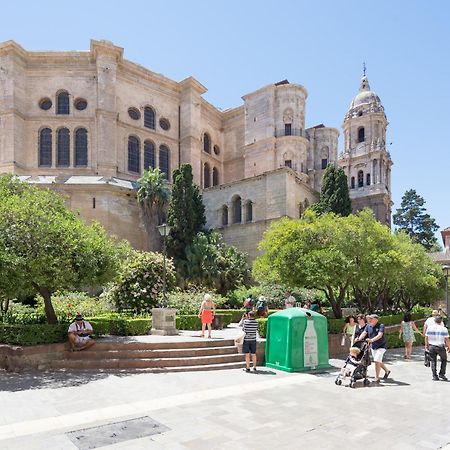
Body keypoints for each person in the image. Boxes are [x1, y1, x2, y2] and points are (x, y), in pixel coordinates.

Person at [359, 314, 390, 383]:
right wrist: (358, 339)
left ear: (376, 319)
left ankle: (377, 377)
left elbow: (380, 335)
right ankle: (387, 371)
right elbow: (364, 333)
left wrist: (372, 340)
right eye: (369, 318)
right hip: (373, 346)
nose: (369, 320)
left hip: (381, 346)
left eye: (371, 318)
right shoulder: (368, 326)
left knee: (376, 361)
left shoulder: (381, 325)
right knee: (378, 361)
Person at [425, 315, 450, 381]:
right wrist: (449, 347)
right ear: (441, 321)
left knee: (433, 361)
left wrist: (426, 345)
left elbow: (426, 337)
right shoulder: (444, 329)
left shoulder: (429, 328)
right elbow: (447, 339)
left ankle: (434, 376)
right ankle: (441, 374)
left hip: (431, 346)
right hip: (440, 346)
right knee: (444, 360)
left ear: (434, 320)